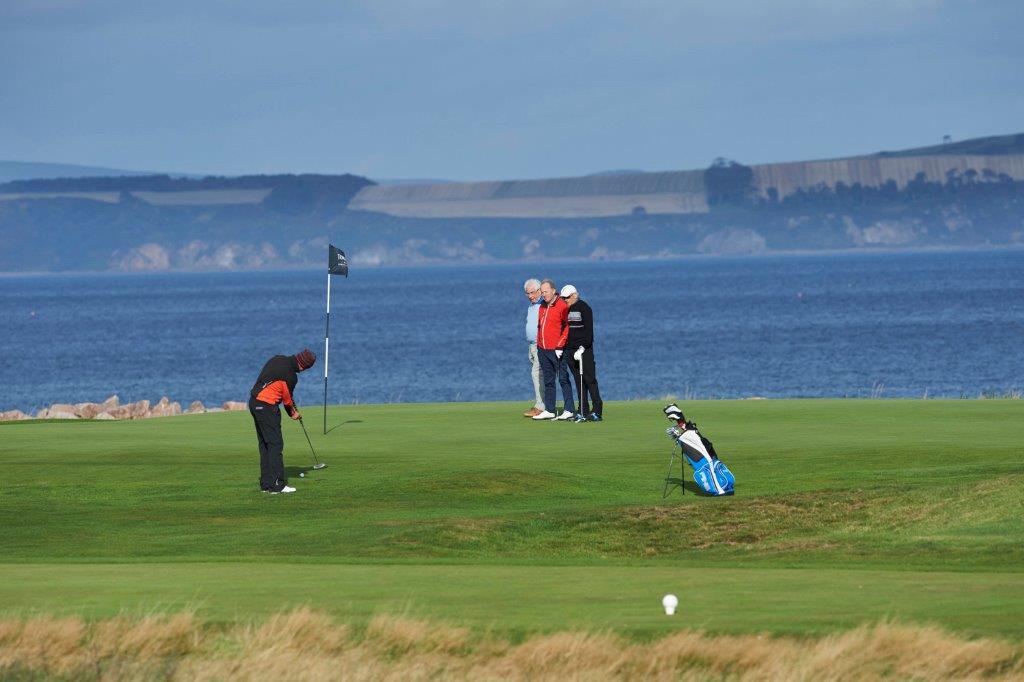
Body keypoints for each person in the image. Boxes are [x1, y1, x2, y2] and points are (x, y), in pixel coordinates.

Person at [249, 348, 317, 493]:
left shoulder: (278, 358)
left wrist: (291, 409)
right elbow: (287, 401)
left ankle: (266, 484)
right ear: (304, 366)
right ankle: (277, 485)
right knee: (275, 445)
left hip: (254, 403)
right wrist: (294, 414)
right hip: (267, 406)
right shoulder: (290, 376)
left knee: (265, 445)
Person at [534, 279, 575, 420]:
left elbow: (567, 327)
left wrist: (560, 345)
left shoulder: (562, 305)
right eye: (542, 292)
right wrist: (539, 345)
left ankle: (569, 409)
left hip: (557, 350)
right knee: (548, 380)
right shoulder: (542, 306)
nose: (543, 294)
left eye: (545, 291)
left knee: (563, 378)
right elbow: (540, 326)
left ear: (553, 290)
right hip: (543, 349)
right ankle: (550, 410)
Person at [561, 284, 604, 422]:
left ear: (574, 295)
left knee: (590, 379)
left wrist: (582, 348)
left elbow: (589, 333)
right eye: (563, 298)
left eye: (567, 297)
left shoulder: (584, 308)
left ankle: (597, 410)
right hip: (570, 350)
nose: (565, 300)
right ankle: (582, 410)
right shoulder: (565, 310)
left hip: (584, 350)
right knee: (578, 381)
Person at [522, 278, 545, 417]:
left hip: (540, 345)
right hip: (532, 345)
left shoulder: (543, 305)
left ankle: (540, 407)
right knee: (538, 375)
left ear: (539, 291)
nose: (530, 296)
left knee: (537, 374)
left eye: (532, 292)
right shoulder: (531, 307)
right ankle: (542, 405)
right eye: (527, 293)